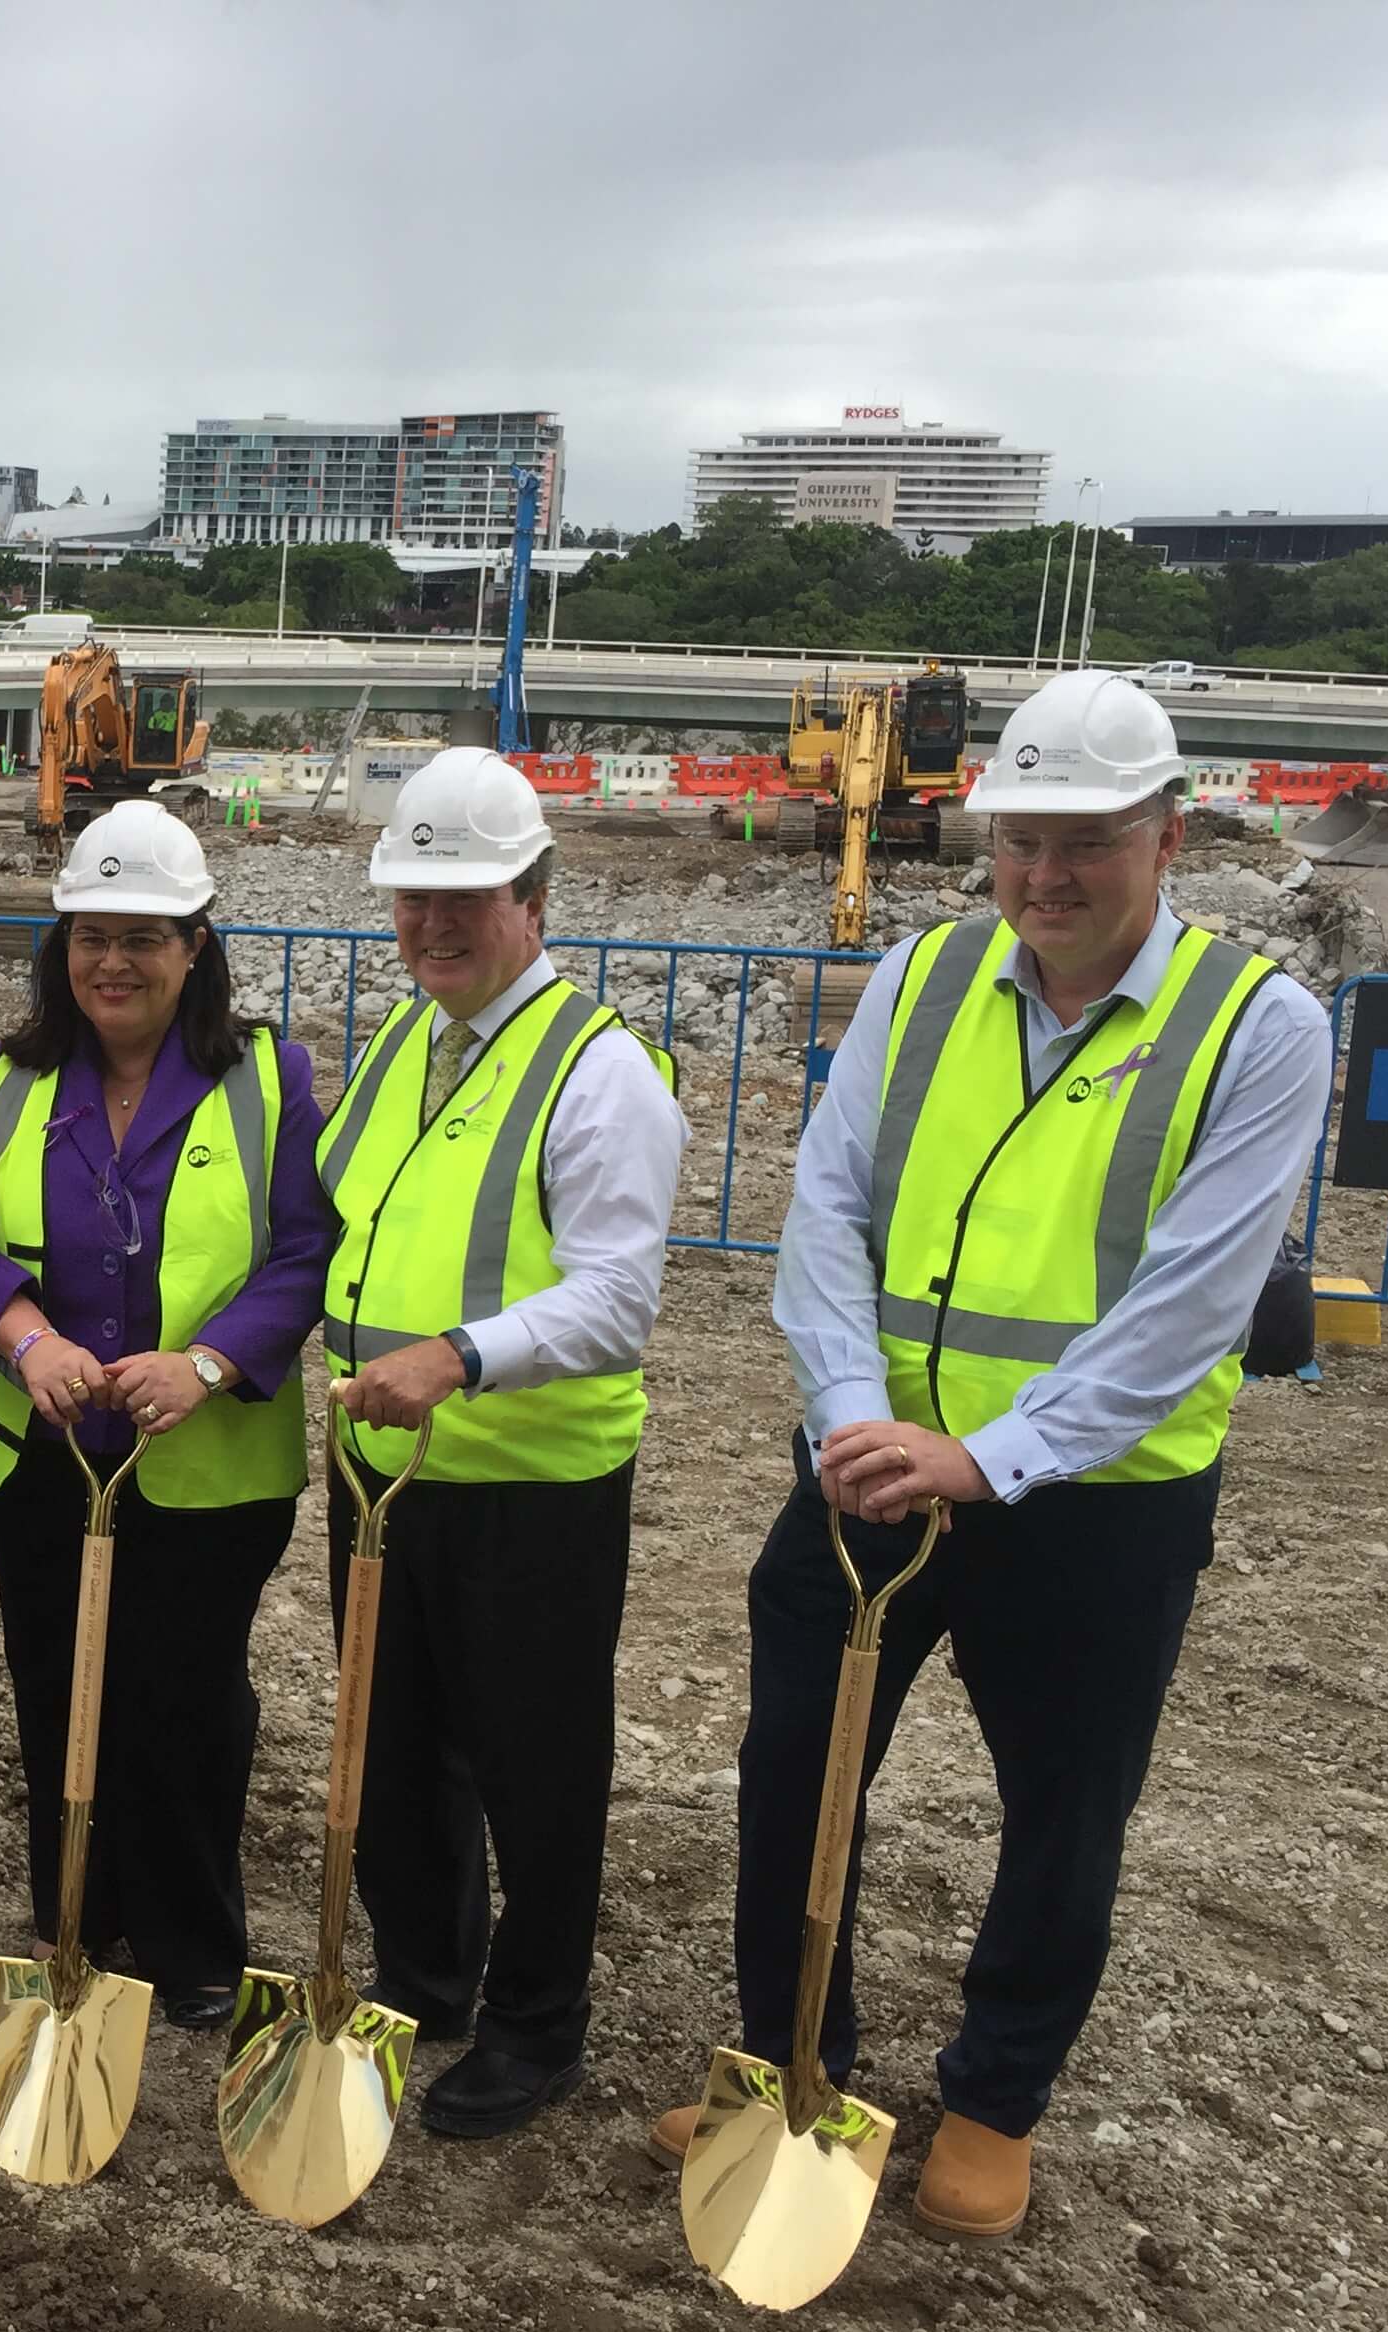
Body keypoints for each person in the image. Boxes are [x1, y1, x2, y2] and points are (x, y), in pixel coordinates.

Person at [649, 670, 1331, 2238]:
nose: (1048, 874)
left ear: (1169, 838)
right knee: (795, 1771)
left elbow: (1190, 1307)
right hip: (870, 1467)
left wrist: (990, 1456)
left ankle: (995, 2101)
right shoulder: (924, 977)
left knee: (1063, 1812)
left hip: (1099, 1504)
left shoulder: (1257, 1029)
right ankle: (792, 2061)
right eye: (1022, 839)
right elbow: (829, 1211)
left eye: (1088, 840)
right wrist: (849, 1411)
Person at [317, 746, 686, 2137]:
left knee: (537, 1770)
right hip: (384, 1474)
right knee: (395, 1748)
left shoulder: (602, 1073)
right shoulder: (407, 1043)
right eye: (413, 898)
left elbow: (616, 1299)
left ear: (535, 895)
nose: (433, 924)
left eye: (465, 897)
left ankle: (538, 2024)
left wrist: (458, 1359)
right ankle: (426, 1980)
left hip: (530, 1489)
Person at [0, 803, 330, 2029]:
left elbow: (305, 1249)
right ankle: (75, 1918)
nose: (113, 962)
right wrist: (27, 1339)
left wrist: (206, 1364)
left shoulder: (268, 1079)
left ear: (195, 946)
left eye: (143, 937)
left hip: (206, 1458)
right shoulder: (11, 1080)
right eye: (91, 936)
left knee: (186, 1697)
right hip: (41, 1449)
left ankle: (193, 1939)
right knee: (55, 1684)